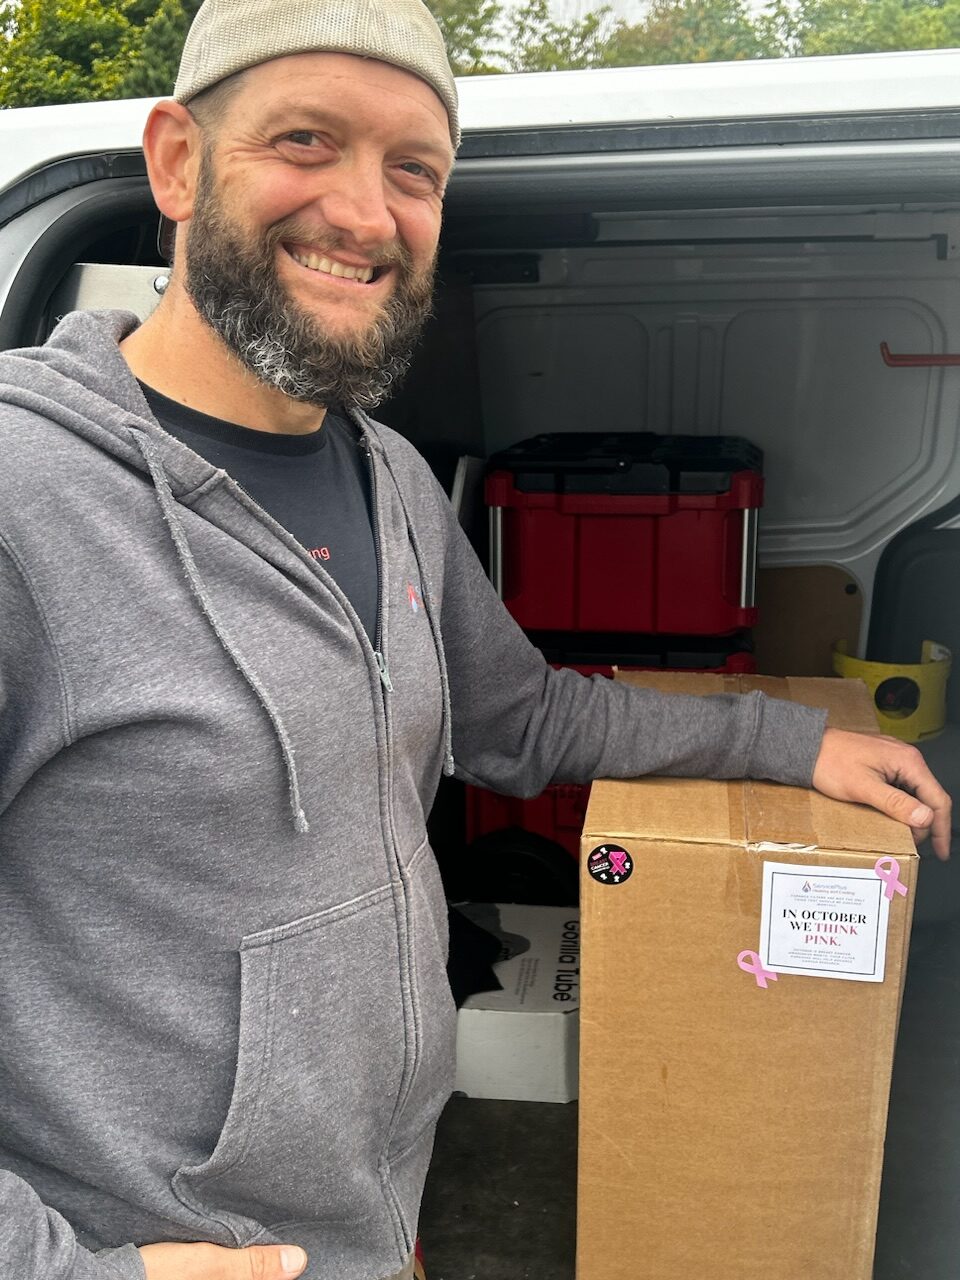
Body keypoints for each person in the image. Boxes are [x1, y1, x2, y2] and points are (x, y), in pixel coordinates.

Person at [0, 2, 950, 1279]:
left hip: (374, 1214)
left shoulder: (386, 476)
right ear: (176, 162)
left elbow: (529, 719)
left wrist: (791, 741)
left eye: (414, 171)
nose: (363, 213)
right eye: (305, 140)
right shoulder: (25, 501)